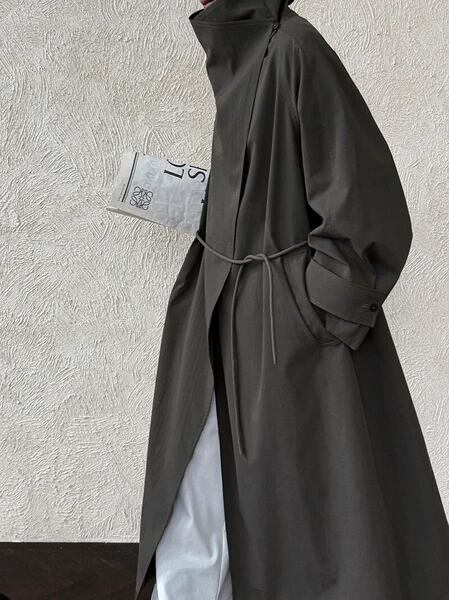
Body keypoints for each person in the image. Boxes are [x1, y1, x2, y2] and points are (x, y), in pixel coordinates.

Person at [136, 1, 449, 599]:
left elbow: (367, 201)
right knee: (193, 502)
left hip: (286, 342)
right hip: (220, 318)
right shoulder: (241, 52)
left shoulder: (295, 49)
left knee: (304, 523)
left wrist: (314, 311)